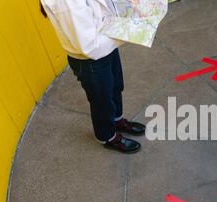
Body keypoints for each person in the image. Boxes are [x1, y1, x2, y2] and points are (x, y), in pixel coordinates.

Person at [40, 0, 145, 154]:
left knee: (116, 86)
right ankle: (108, 136)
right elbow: (88, 46)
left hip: (107, 42)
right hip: (91, 60)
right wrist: (131, 30)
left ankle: (117, 120)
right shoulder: (67, 3)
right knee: (102, 101)